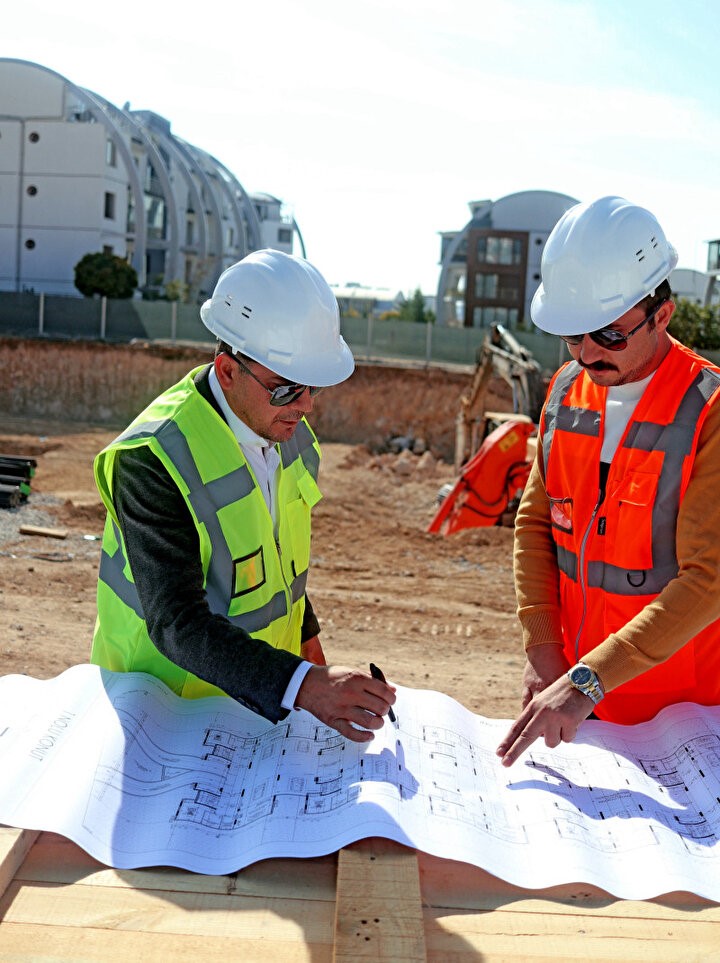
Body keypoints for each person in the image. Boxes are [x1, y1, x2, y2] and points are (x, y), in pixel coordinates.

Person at [91, 249, 395, 743]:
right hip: (164, 711)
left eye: (313, 387)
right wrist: (303, 685)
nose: (305, 405)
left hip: (252, 708)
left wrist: (307, 642)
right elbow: (177, 622)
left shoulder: (287, 432)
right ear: (228, 370)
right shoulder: (152, 459)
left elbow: (276, 560)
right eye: (286, 389)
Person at [497, 195, 720, 767]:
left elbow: (709, 579)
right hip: (578, 705)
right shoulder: (565, 391)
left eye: (609, 335)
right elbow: (535, 525)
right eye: (573, 336)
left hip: (681, 721)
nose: (587, 353)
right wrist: (544, 648)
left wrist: (588, 680)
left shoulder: (710, 411)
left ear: (662, 315)